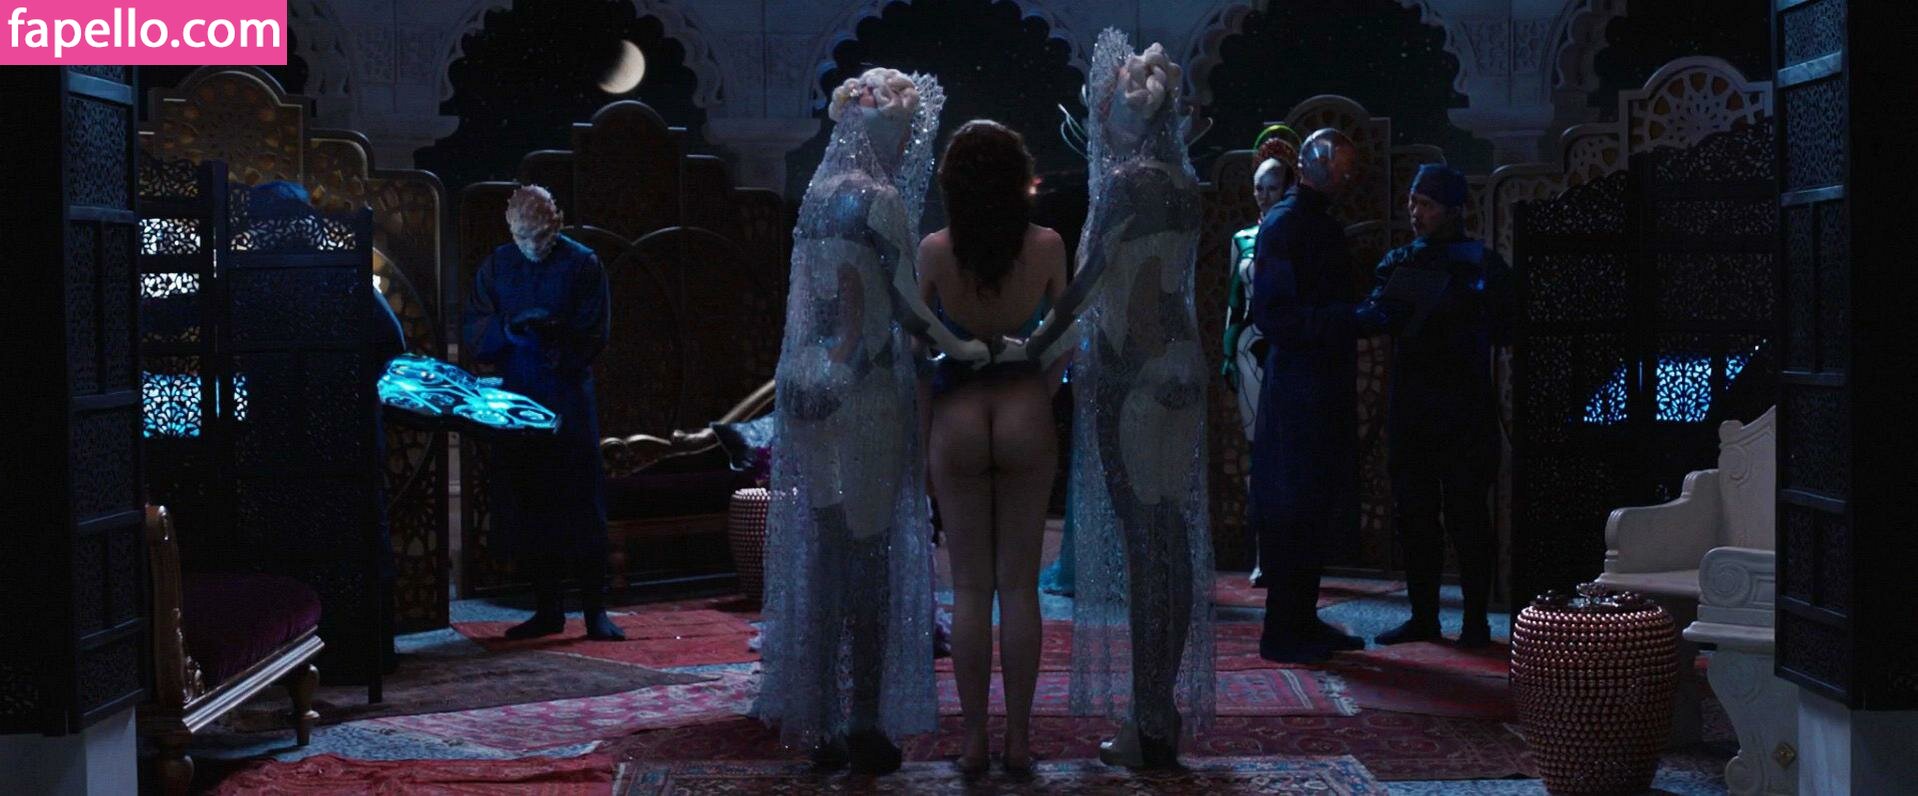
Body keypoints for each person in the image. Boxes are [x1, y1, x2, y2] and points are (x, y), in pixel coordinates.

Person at [753, 67, 987, 776]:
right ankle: (862, 719)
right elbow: (906, 307)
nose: (907, 141)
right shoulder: (880, 199)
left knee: (825, 555)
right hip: (865, 392)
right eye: (905, 128)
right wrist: (961, 347)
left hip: (809, 386)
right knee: (870, 556)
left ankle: (821, 716)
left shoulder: (820, 193)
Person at [1018, 29, 1214, 769]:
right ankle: (1159, 711)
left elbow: (1085, 287)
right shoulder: (1185, 186)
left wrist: (1029, 345)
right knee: (1171, 540)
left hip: (1134, 374)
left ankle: (1148, 717)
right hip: (1182, 366)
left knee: (1144, 545)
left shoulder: (1129, 183)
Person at [917, 119, 1068, 781]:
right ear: (1018, 180)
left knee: (971, 589)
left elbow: (915, 354)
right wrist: (1039, 386)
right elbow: (1066, 338)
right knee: (1021, 588)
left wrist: (923, 439)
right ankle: (1019, 742)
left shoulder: (934, 251)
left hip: (956, 414)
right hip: (1023, 407)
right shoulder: (1047, 245)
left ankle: (975, 742)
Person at [244, 181, 408, 670]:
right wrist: (348, 382)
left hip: (278, 433)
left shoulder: (248, 277)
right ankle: (365, 654)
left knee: (290, 539)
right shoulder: (341, 272)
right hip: (346, 431)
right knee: (355, 537)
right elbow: (392, 339)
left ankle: (289, 659)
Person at [1363, 164, 1516, 649]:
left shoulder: (1484, 265)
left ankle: (1475, 622)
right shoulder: (1399, 261)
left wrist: (1466, 308)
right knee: (1415, 515)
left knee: (1468, 515)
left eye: (1426, 204)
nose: (1415, 212)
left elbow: (1510, 326)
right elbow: (1376, 314)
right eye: (1412, 202)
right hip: (1413, 408)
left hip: (1465, 408)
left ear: (1453, 210)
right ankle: (1423, 617)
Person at [463, 185, 624, 642]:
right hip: (518, 395)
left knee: (582, 502)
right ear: (511, 230)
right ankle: (547, 607)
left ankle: (595, 610)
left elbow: (595, 331)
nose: (532, 247)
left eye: (539, 237)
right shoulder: (498, 265)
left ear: (556, 223)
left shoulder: (582, 263)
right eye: (523, 238)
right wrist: (508, 331)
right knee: (530, 501)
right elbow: (476, 326)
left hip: (568, 396)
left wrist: (556, 337)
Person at [1251, 128, 1386, 664]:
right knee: (1293, 505)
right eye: (1342, 165)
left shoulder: (1318, 223)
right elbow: (1275, 315)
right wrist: (1349, 319)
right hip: (1297, 387)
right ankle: (1283, 630)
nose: (1348, 176)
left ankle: (1301, 620)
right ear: (1317, 164)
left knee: (1313, 505)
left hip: (1322, 381)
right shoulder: (1285, 224)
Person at [1222, 125, 1301, 588]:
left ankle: (1292, 553)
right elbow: (1234, 301)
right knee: (1258, 452)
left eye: (1273, 188)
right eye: (1259, 188)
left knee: (1289, 452)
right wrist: (1227, 352)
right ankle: (1261, 555)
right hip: (1250, 348)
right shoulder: (1243, 238)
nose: (1264, 196)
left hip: (1288, 348)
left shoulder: (1296, 235)